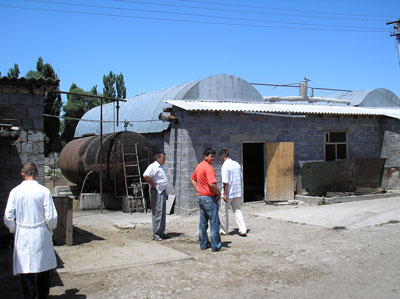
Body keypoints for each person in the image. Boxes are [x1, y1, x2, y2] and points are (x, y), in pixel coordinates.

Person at [3, 161, 58, 299]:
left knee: (27, 268)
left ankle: (30, 296)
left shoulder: (15, 192)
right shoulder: (44, 191)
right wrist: (50, 228)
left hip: (23, 234)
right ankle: (43, 295)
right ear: (37, 174)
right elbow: (51, 217)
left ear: (22, 175)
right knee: (44, 266)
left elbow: (8, 217)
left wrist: (14, 229)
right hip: (41, 233)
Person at [191, 148, 223, 252]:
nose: (213, 158)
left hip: (201, 197)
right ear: (205, 156)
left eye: (214, 156)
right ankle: (216, 246)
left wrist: (199, 190)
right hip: (209, 198)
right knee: (214, 223)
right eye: (211, 156)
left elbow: (193, 179)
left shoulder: (199, 166)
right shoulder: (208, 168)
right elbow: (211, 184)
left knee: (203, 223)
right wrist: (219, 193)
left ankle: (203, 244)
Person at [219, 149, 247, 237]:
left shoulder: (225, 166)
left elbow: (225, 182)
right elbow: (241, 177)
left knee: (223, 211)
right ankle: (243, 229)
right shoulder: (237, 164)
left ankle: (224, 230)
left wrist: (225, 194)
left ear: (222, 156)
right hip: (237, 192)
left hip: (229, 192)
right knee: (237, 210)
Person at [143, 152, 168, 241]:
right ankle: (156, 234)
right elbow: (145, 175)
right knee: (157, 211)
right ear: (158, 158)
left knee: (162, 212)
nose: (164, 160)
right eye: (163, 158)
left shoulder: (160, 167)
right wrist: (153, 183)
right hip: (157, 191)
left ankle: (161, 232)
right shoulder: (153, 166)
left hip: (162, 191)